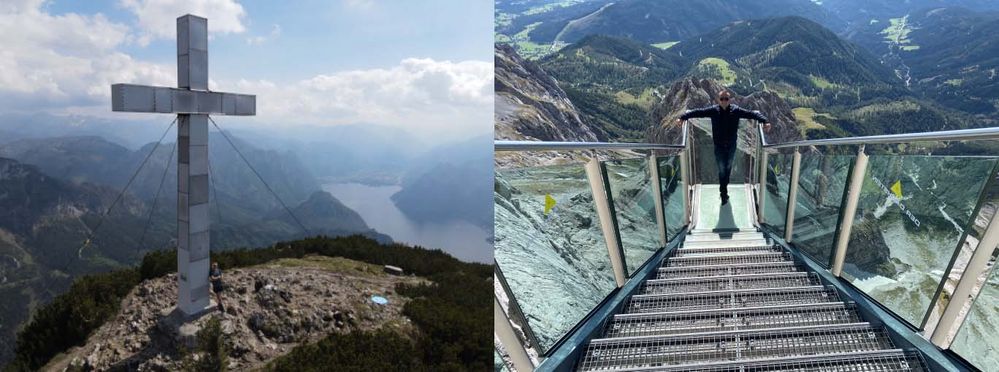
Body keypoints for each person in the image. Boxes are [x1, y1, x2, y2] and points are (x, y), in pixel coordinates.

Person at [676, 90, 771, 205]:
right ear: (718, 100)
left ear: (730, 100)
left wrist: (765, 121)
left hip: (731, 146)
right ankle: (723, 192)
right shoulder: (713, 111)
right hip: (719, 147)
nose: (724, 101)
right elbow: (698, 112)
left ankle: (724, 187)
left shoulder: (736, 110)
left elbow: (751, 114)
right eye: (722, 99)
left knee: (728, 168)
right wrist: (682, 117)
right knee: (722, 170)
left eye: (726, 99)